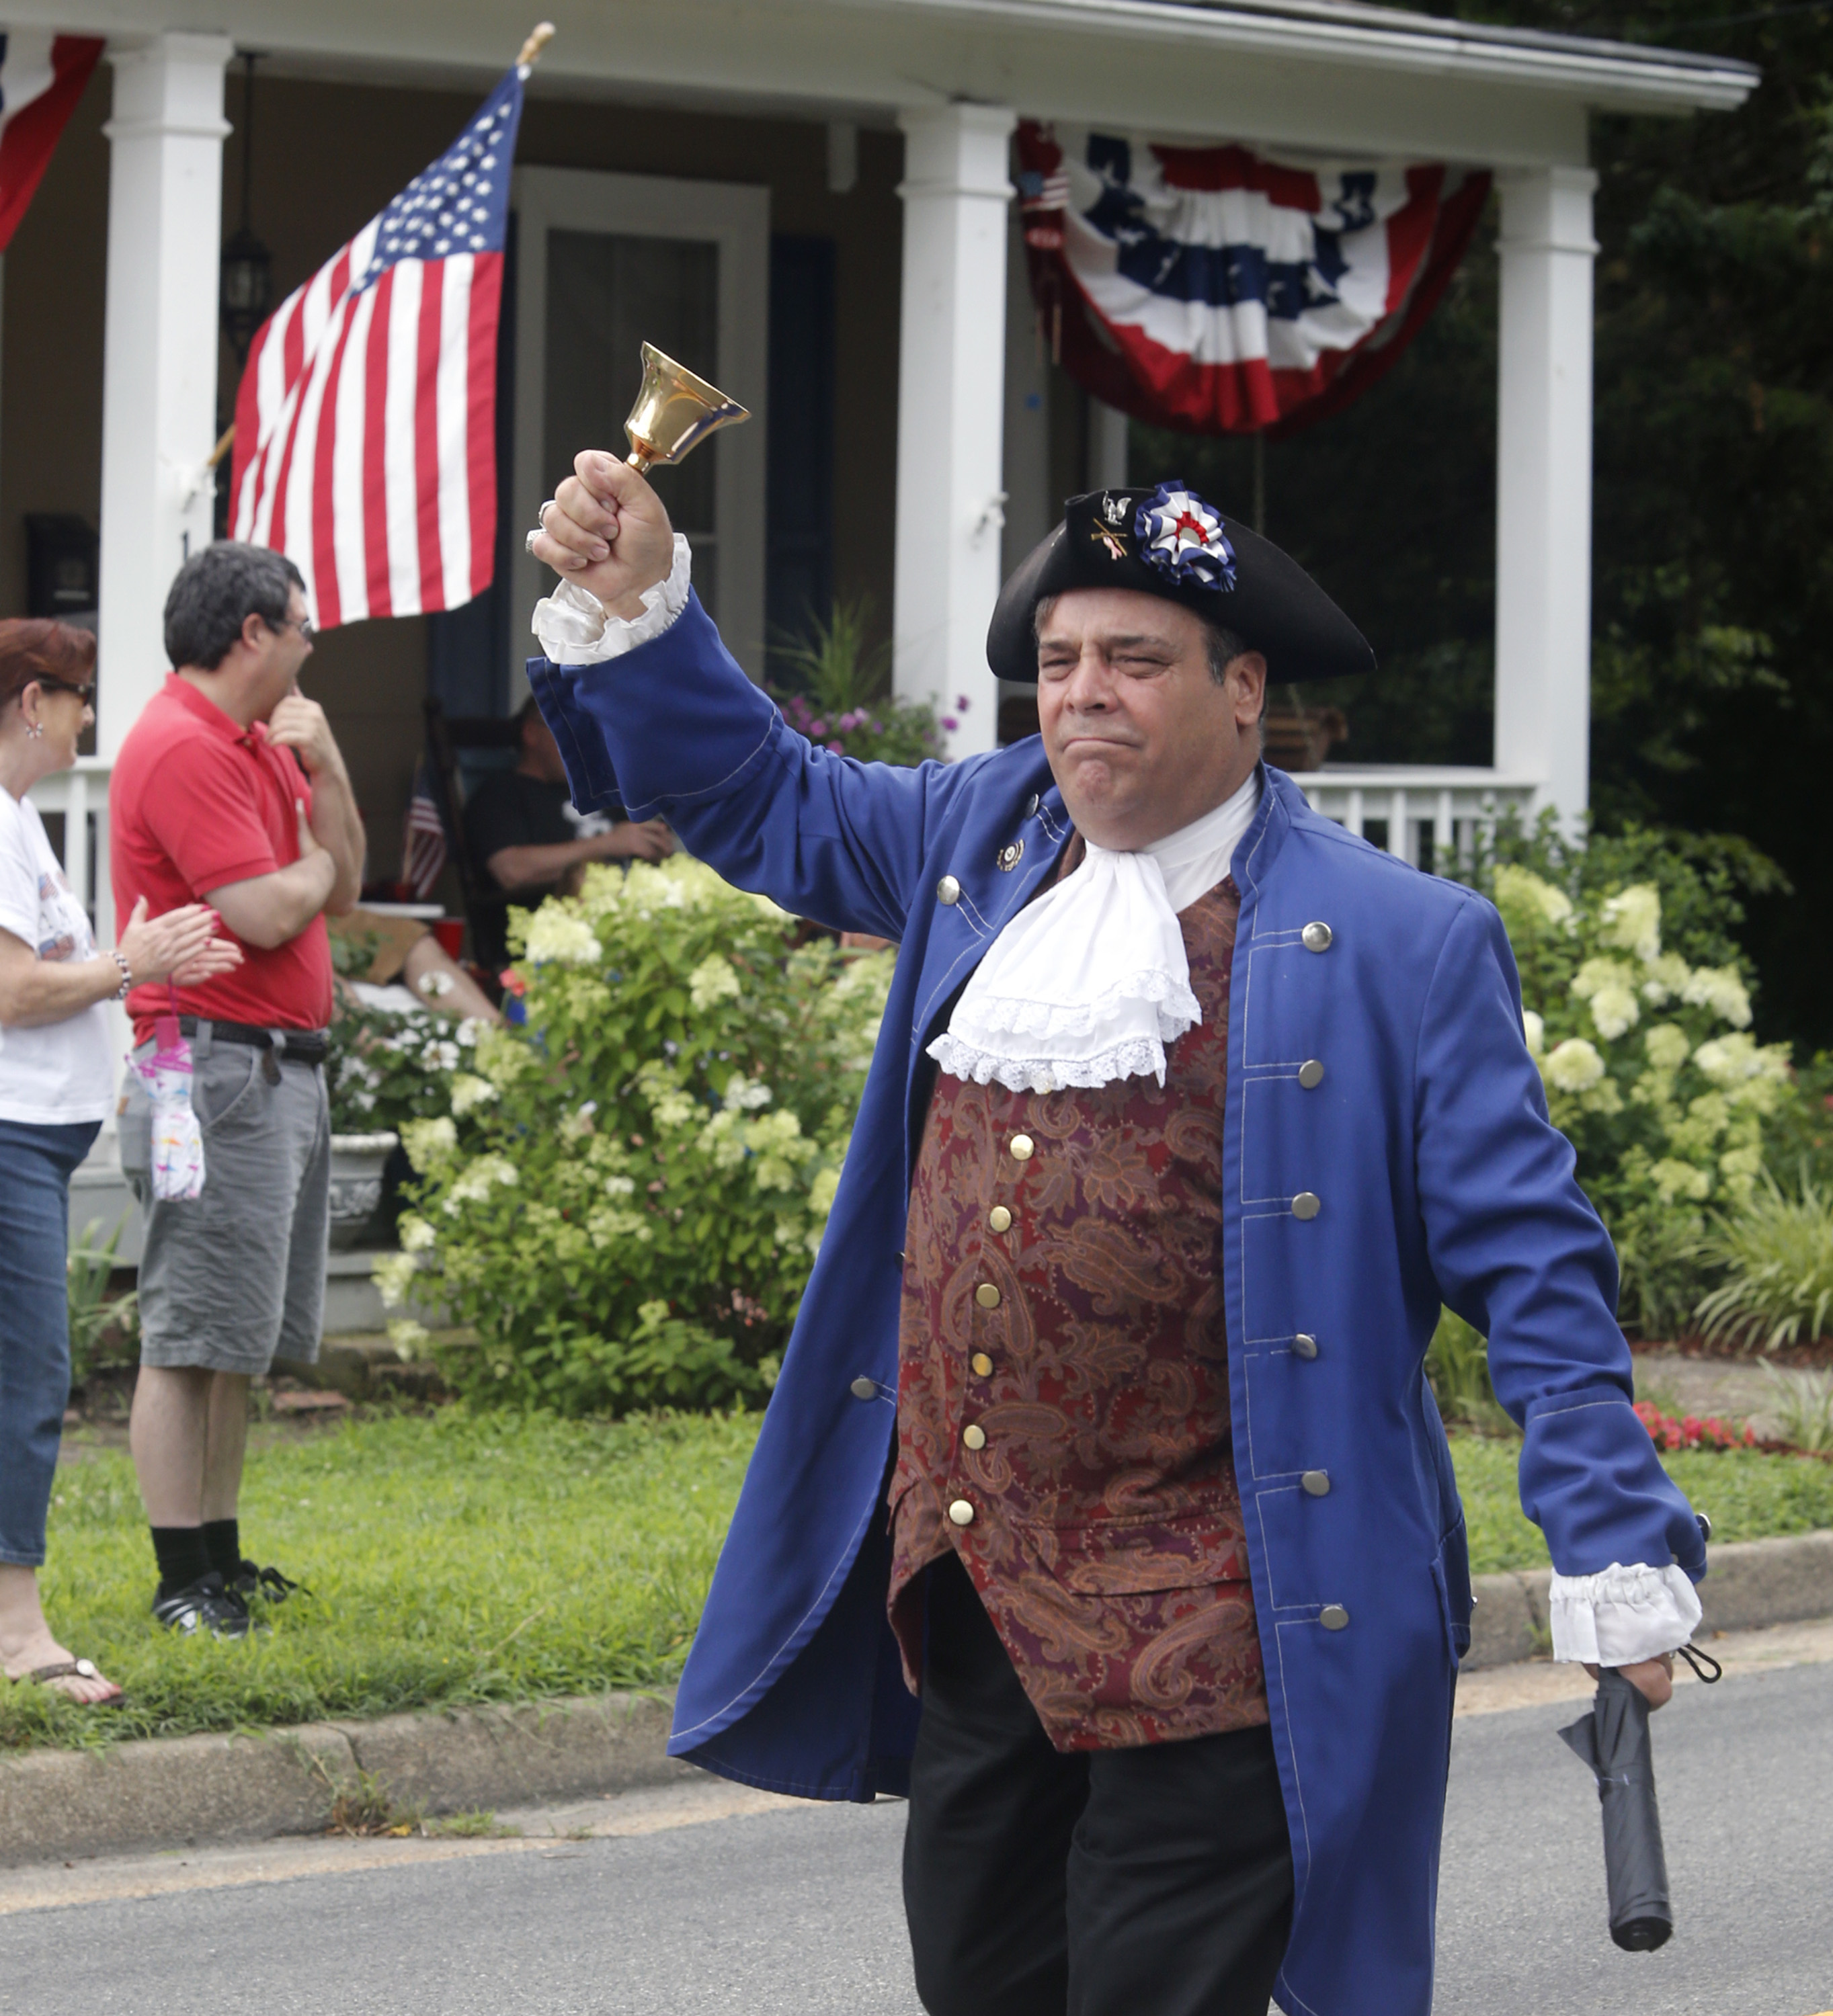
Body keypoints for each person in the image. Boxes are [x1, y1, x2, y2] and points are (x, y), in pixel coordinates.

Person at [526, 460, 1707, 2016]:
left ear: (1242, 687)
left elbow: (1537, 1273)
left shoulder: (1399, 943)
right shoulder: (977, 836)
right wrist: (641, 611)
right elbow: (764, 794)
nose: (1082, 698)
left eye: (1132, 661)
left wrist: (1613, 1534)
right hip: (980, 1614)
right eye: (1058, 662)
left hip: (1228, 1630)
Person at [110, 544, 366, 1639]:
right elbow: (268, 913)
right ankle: (180, 1583)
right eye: (303, 627)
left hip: (269, 1072)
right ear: (253, 632)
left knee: (235, 1340)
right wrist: (307, 870)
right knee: (186, 1333)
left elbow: (345, 887)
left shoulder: (263, 741)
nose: (312, 647)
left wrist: (334, 775)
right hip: (205, 1068)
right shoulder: (179, 744)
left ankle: (220, 1559)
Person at [0, 620, 240, 1703]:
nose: (87, 716)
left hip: (35, 1140)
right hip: (8, 1139)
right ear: (29, 702)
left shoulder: (22, 823)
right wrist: (127, 963)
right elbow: (12, 989)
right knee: (30, 1377)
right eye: (76, 695)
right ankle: (15, 1632)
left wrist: (137, 965)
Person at [462, 694, 674, 969]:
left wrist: (656, 848)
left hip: (640, 932)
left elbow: (643, 848)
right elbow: (511, 870)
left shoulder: (605, 792)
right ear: (531, 733)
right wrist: (607, 844)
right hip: (555, 939)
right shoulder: (501, 794)